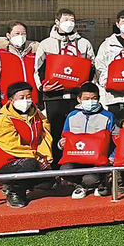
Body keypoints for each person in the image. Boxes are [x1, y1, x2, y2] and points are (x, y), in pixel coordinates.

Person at [34, 8, 95, 161]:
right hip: (54, 96)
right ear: (57, 22)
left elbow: (93, 68)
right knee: (55, 132)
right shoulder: (46, 44)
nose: (69, 23)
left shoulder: (84, 43)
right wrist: (42, 87)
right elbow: (37, 69)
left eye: (72, 20)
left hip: (77, 96)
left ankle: (78, 164)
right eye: (65, 20)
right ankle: (56, 166)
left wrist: (89, 88)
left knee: (78, 131)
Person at [0, 81, 52, 208]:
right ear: (11, 100)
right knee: (29, 164)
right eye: (21, 97)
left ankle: (22, 185)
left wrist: (45, 157)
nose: (26, 100)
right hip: (8, 163)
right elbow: (12, 145)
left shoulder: (37, 115)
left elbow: (45, 136)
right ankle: (15, 192)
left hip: (34, 158)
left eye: (28, 97)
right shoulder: (4, 119)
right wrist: (36, 158)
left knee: (50, 178)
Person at [58, 82, 115, 199]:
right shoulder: (72, 116)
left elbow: (115, 141)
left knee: (90, 179)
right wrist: (61, 144)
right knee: (65, 170)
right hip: (76, 157)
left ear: (99, 98)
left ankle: (100, 183)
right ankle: (79, 186)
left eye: (94, 98)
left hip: (98, 160)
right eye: (86, 99)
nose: (90, 101)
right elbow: (64, 137)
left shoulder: (108, 116)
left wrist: (111, 158)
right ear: (79, 99)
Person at [0, 21, 39, 118]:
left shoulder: (34, 53)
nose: (20, 36)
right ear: (8, 35)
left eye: (23, 34)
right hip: (8, 105)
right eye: (17, 33)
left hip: (32, 104)